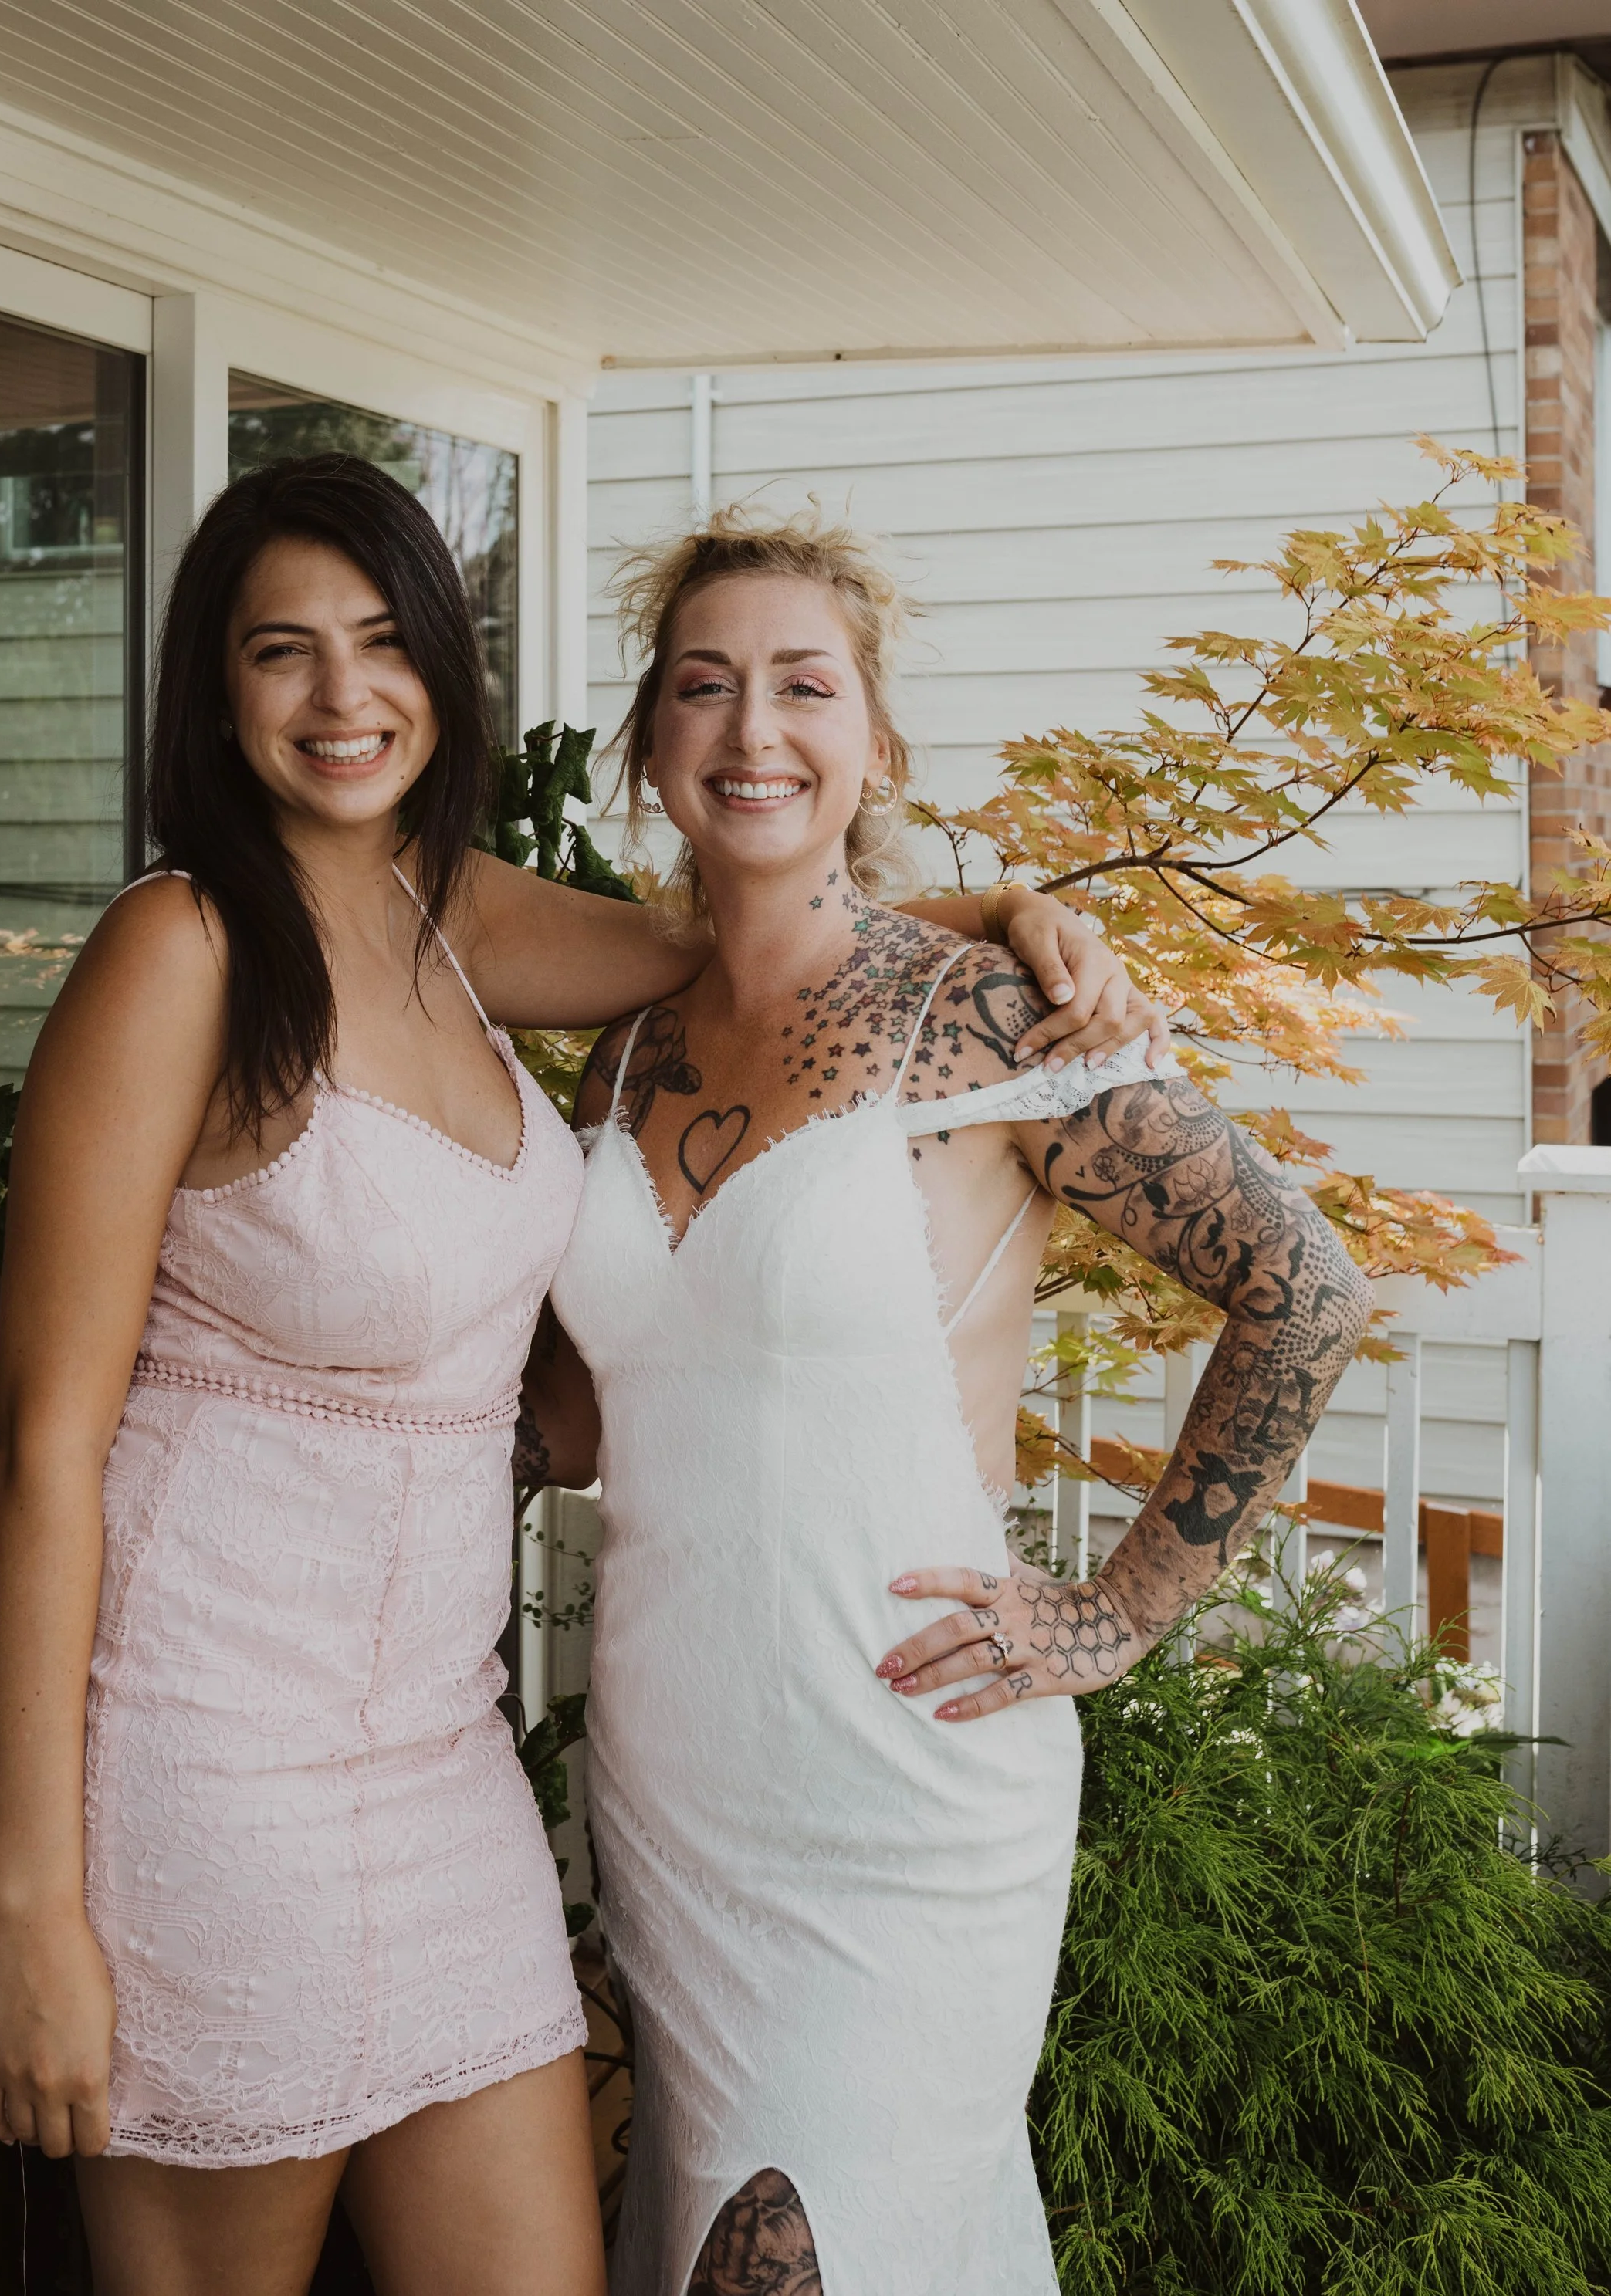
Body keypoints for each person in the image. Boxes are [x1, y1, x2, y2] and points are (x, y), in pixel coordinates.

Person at [0, 455, 1161, 2296]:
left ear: (442, 666)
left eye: (379, 643)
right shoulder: (181, 950)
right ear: (215, 691)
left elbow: (745, 935)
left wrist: (995, 921)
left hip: (439, 1770)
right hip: (197, 1756)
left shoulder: (455, 915)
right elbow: (45, 1448)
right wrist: (34, 1904)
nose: (340, 695)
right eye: (279, 652)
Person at [530, 509, 1373, 2296]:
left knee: (806, 2253)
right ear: (649, 745)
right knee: (698, 2240)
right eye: (703, 686)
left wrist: (1119, 1605)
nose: (752, 728)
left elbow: (1303, 1286)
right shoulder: (619, 1046)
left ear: (876, 746)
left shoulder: (983, 1015)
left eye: (801, 685)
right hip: (675, 1780)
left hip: (905, 1771)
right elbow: (588, 1409)